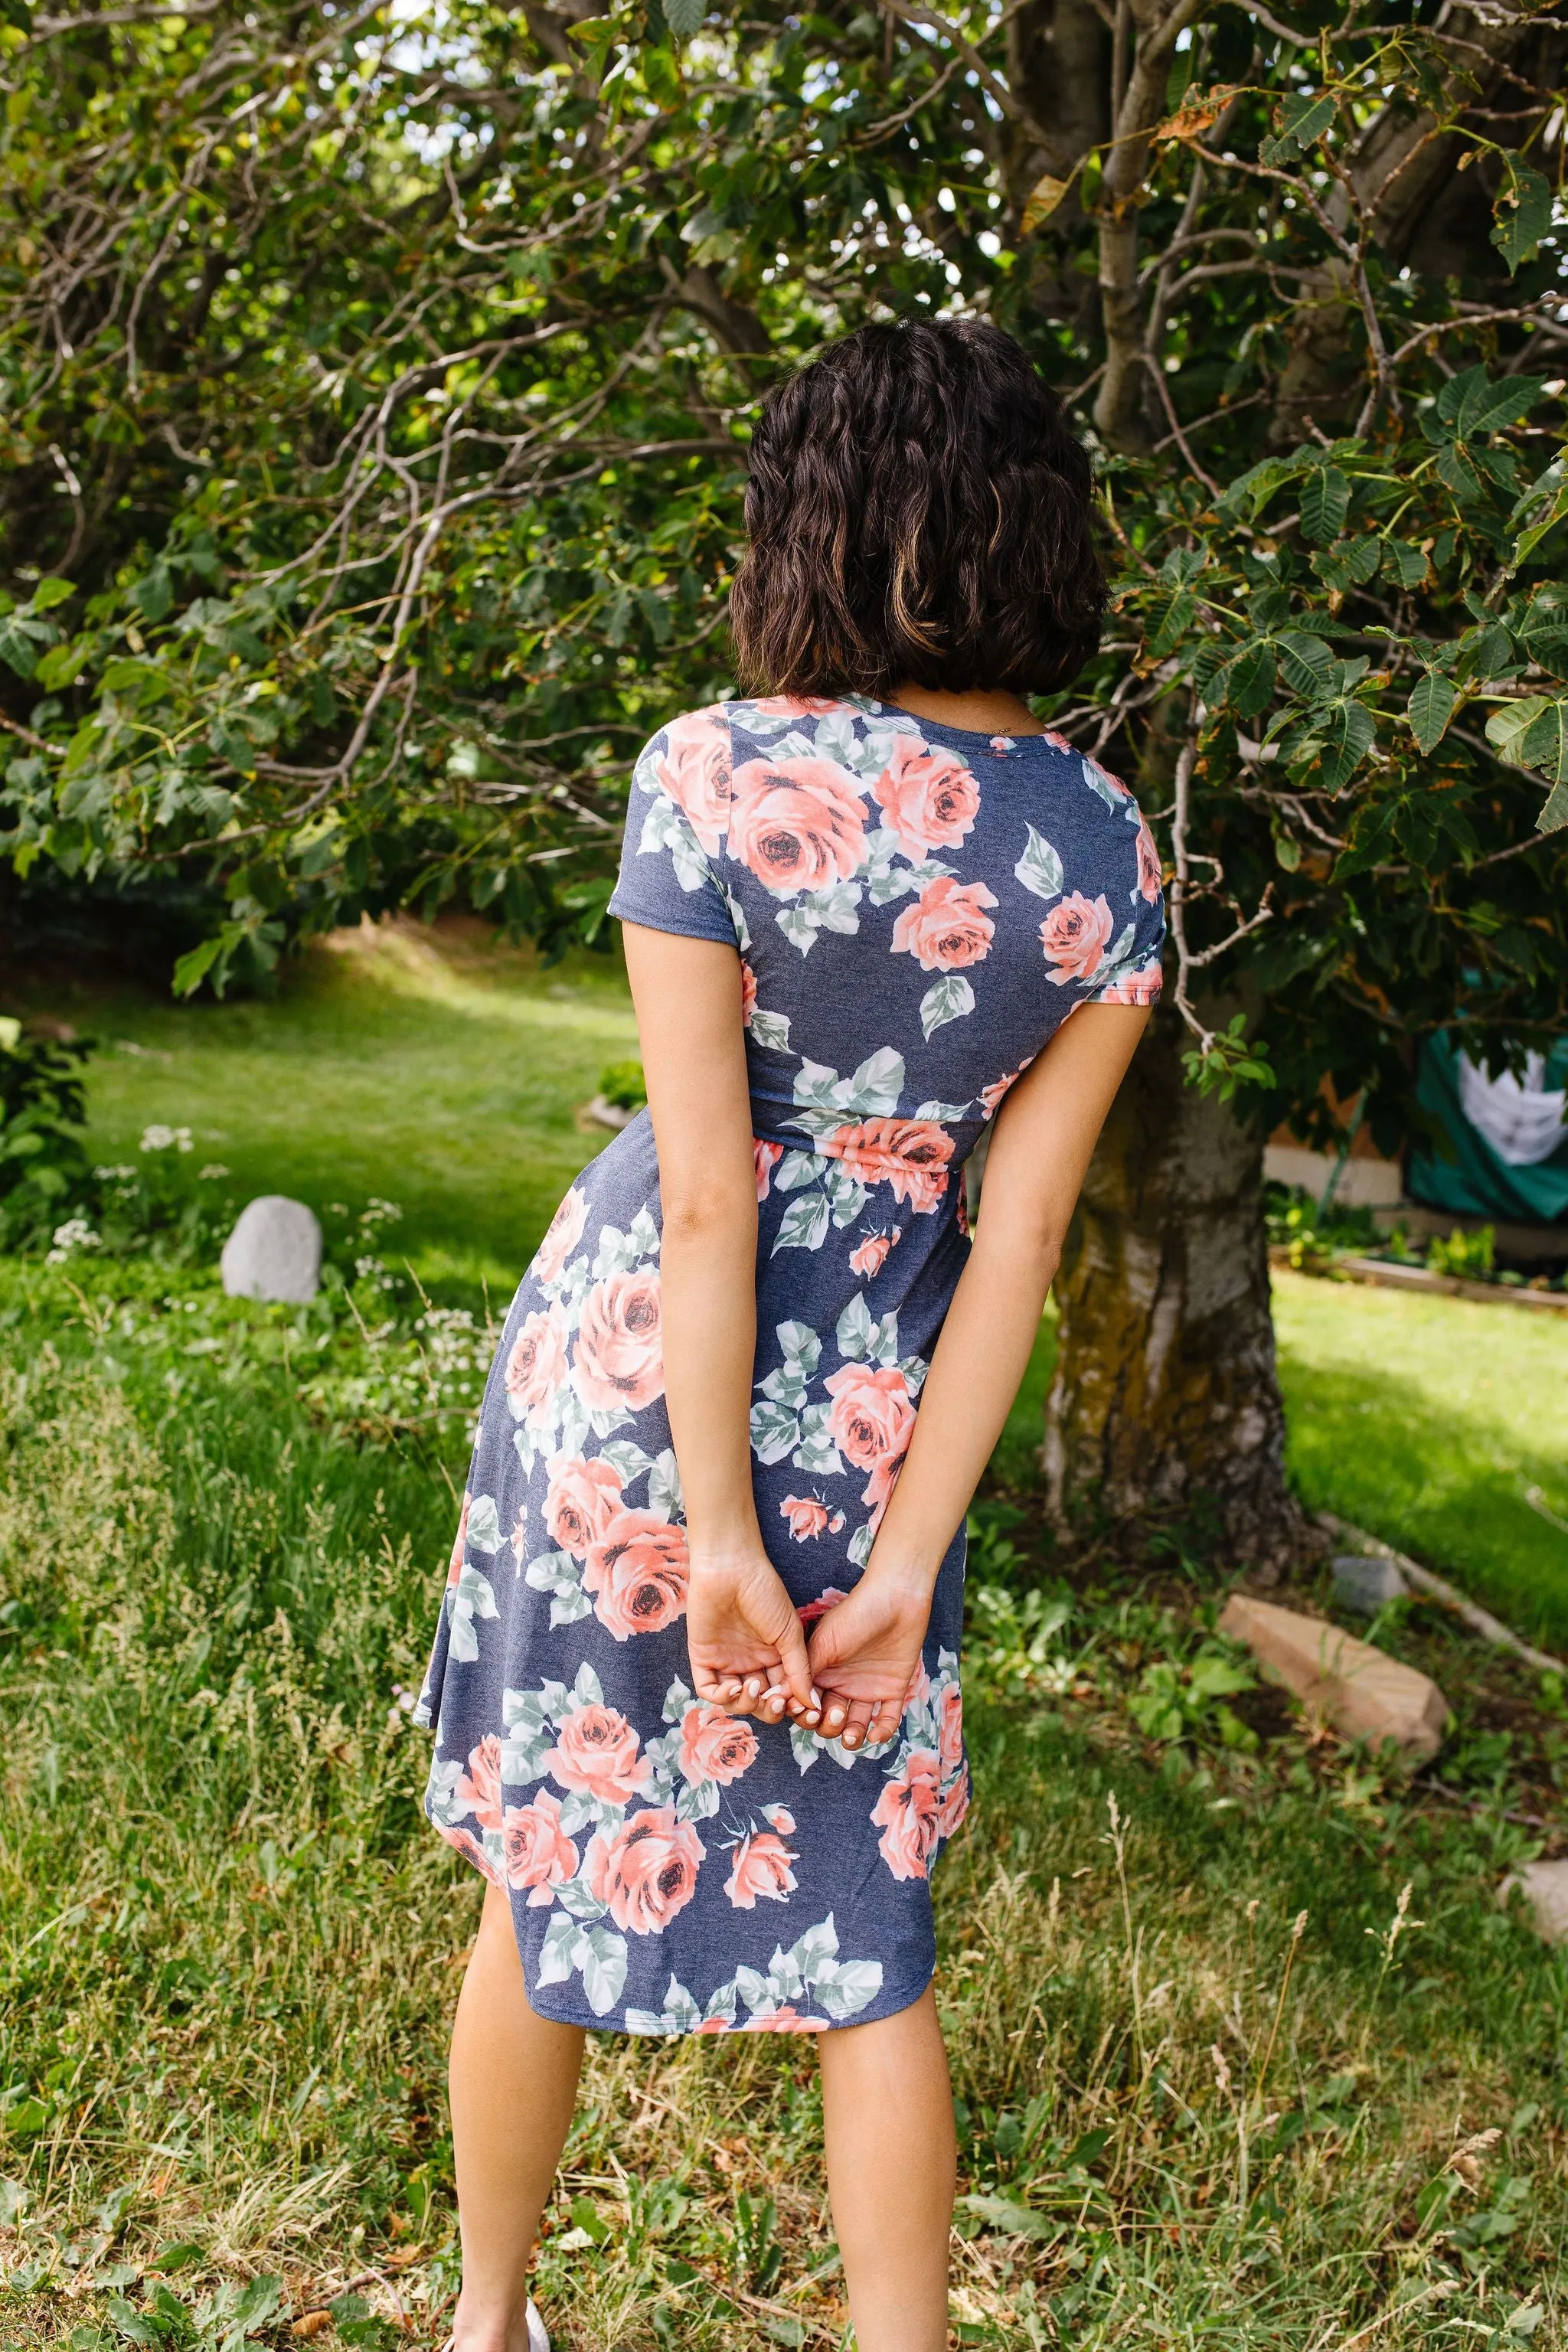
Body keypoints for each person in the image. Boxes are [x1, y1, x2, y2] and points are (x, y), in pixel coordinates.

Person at [416, 314, 1165, 2352]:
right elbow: (1019, 1236)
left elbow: (699, 1187)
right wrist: (900, 1559)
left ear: (815, 528)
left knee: (546, 1860)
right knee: (874, 1940)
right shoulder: (1101, 842)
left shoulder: (714, 774)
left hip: (645, 1390)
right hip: (887, 1408)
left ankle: (490, 2322)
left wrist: (713, 1526)